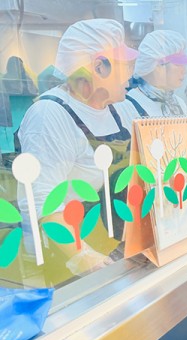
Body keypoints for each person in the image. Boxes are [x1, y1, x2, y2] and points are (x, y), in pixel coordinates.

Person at [17, 19, 139, 279]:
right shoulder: (49, 115)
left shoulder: (122, 109)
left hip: (116, 248)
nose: (130, 74)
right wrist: (85, 258)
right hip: (71, 263)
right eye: (125, 65)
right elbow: (41, 200)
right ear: (99, 67)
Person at [126, 30, 187, 117]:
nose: (184, 71)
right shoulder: (128, 106)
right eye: (178, 64)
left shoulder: (180, 104)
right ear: (156, 66)